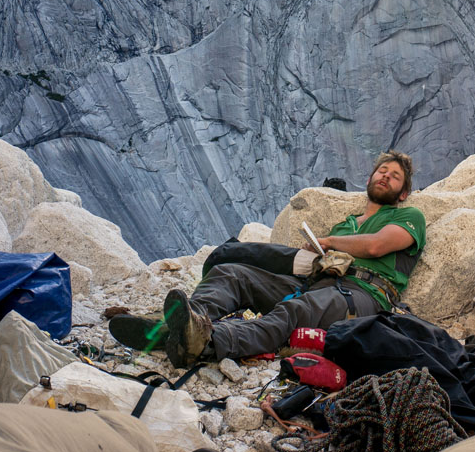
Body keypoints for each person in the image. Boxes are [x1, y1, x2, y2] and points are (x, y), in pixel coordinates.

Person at [109, 150, 426, 367]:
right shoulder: (349, 223)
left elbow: (376, 247)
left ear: (403, 193)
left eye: (395, 176)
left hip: (362, 296)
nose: (385, 176)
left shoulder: (410, 216)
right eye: (382, 171)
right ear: (370, 178)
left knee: (294, 310)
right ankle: (182, 324)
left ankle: (207, 342)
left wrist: (327, 242)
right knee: (233, 274)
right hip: (319, 283)